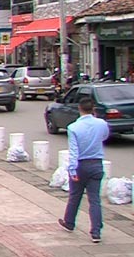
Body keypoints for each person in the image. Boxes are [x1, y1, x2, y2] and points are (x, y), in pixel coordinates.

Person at [58, 98, 109, 243]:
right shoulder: (101, 124)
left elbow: (74, 151)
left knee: (75, 196)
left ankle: (69, 222)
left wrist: (72, 170)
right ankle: (96, 232)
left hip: (80, 165)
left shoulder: (73, 127)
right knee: (94, 199)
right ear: (93, 109)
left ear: (79, 109)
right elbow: (104, 136)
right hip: (96, 163)